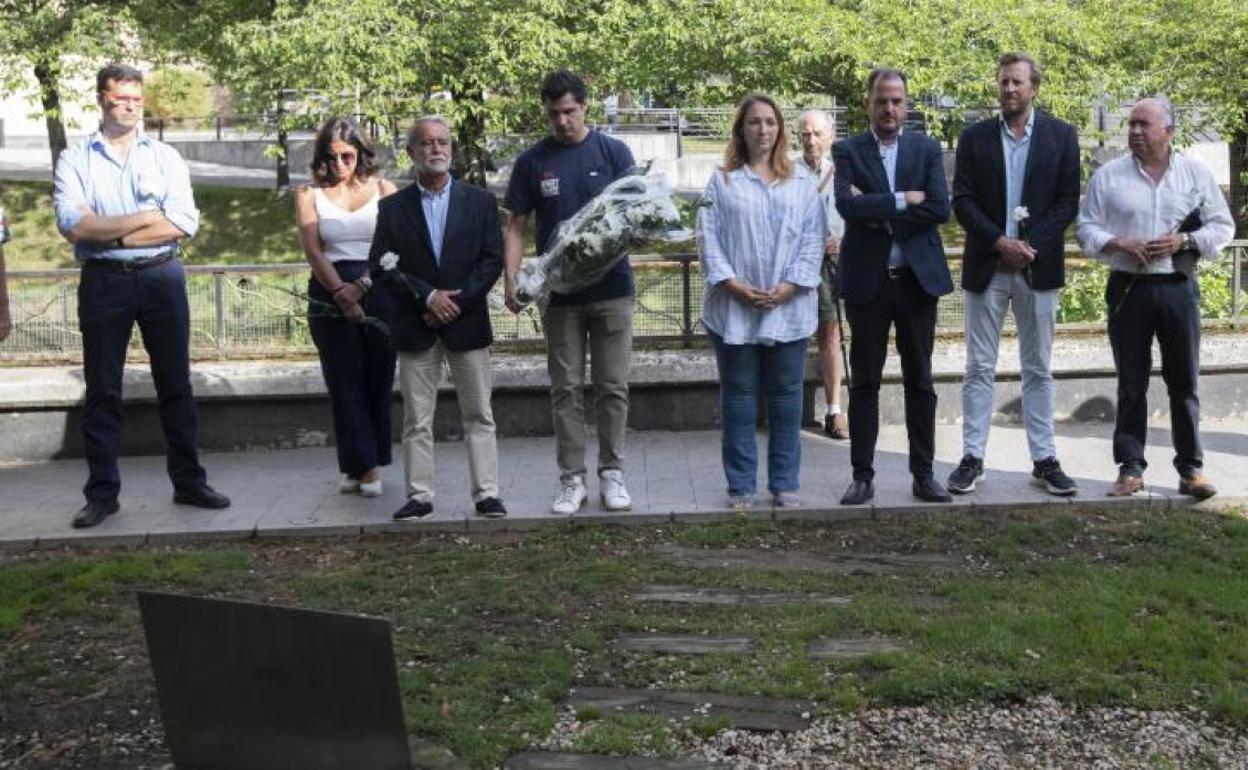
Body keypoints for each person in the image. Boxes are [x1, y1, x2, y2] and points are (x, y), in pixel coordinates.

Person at [53, 63, 229, 529]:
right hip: (104, 283)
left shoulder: (165, 157)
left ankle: (189, 483)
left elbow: (183, 223)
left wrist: (111, 233)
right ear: (101, 100)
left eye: (137, 99)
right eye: (121, 98)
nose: (131, 106)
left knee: (176, 384)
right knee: (103, 390)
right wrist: (144, 218)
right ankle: (102, 494)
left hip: (160, 277)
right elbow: (75, 226)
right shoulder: (75, 159)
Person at [1075, 96, 1233, 499]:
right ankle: (1130, 468)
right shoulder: (1108, 175)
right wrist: (1117, 243)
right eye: (1131, 124)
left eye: (1144, 125)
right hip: (1128, 287)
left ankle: (1191, 469)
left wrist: (1185, 238)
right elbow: (1085, 229)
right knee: (1131, 382)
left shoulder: (1195, 174)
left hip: (1177, 287)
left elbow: (1223, 227)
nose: (1135, 132)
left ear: (1169, 131)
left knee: (1184, 380)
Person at [503, 70, 637, 515]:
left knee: (612, 385)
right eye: (553, 113)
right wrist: (513, 278)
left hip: (613, 288)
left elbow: (637, 213)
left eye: (569, 111)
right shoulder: (532, 161)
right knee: (565, 388)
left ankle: (612, 474)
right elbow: (517, 226)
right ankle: (571, 479)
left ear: (585, 107)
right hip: (559, 296)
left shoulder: (613, 152)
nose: (561, 121)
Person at [947, 53, 1080, 497]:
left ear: (1034, 88)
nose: (1009, 90)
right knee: (978, 366)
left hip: (1037, 268)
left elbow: (1066, 202)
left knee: (1038, 367)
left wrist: (1028, 247)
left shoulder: (1062, 136)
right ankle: (972, 458)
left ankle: (1044, 460)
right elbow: (962, 201)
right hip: (987, 265)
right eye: (1003, 81)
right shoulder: (975, 138)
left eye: (1017, 82)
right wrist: (999, 242)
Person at [368, 117, 506, 520]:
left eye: (442, 142)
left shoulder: (479, 202)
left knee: (479, 413)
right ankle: (420, 496)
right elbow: (381, 266)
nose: (436, 149)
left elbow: (492, 260)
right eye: (426, 143)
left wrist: (454, 303)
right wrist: (426, 295)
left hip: (467, 324)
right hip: (416, 326)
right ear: (411, 152)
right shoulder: (392, 209)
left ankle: (487, 494)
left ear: (452, 148)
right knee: (416, 419)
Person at [698, 94, 825, 510]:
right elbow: (708, 238)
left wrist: (791, 285)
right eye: (754, 123)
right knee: (738, 397)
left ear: (780, 129)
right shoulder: (723, 180)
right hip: (735, 308)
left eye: (770, 122)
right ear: (741, 129)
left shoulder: (802, 182)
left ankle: (785, 483)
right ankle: (740, 488)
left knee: (787, 398)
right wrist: (733, 285)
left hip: (788, 306)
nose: (763, 130)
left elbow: (812, 239)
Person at [834, 68, 954, 506]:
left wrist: (877, 207)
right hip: (868, 284)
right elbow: (847, 206)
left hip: (915, 284)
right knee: (864, 382)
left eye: (897, 101)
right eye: (882, 100)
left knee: (919, 380)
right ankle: (862, 476)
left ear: (907, 104)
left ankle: (923, 473)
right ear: (868, 102)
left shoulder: (925, 148)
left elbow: (940, 208)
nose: (889, 109)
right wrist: (906, 199)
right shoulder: (847, 149)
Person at [294, 117, 397, 498]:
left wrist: (362, 286)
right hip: (329, 291)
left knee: (378, 378)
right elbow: (312, 250)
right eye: (332, 157)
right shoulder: (309, 194)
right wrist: (340, 292)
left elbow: (392, 245)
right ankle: (363, 467)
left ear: (361, 153)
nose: (340, 165)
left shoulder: (384, 189)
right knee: (343, 381)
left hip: (378, 287)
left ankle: (368, 460)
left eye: (348, 156)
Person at [796, 109, 849, 440]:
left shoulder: (843, 171)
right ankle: (786, 409)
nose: (811, 140)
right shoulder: (787, 171)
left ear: (830, 136)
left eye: (817, 133)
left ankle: (834, 410)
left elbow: (858, 213)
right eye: (805, 134)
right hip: (797, 264)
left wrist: (843, 239)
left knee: (830, 334)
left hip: (831, 264)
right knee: (790, 335)